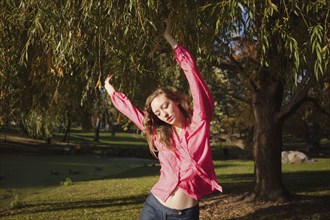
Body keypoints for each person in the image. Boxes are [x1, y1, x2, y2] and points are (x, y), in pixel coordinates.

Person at [104, 18, 222, 220]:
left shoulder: (199, 123)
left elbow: (192, 73)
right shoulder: (160, 134)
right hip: (154, 207)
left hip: (184, 215)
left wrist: (169, 38)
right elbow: (133, 113)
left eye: (165, 106)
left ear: (176, 100)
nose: (163, 114)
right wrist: (111, 91)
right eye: (157, 113)